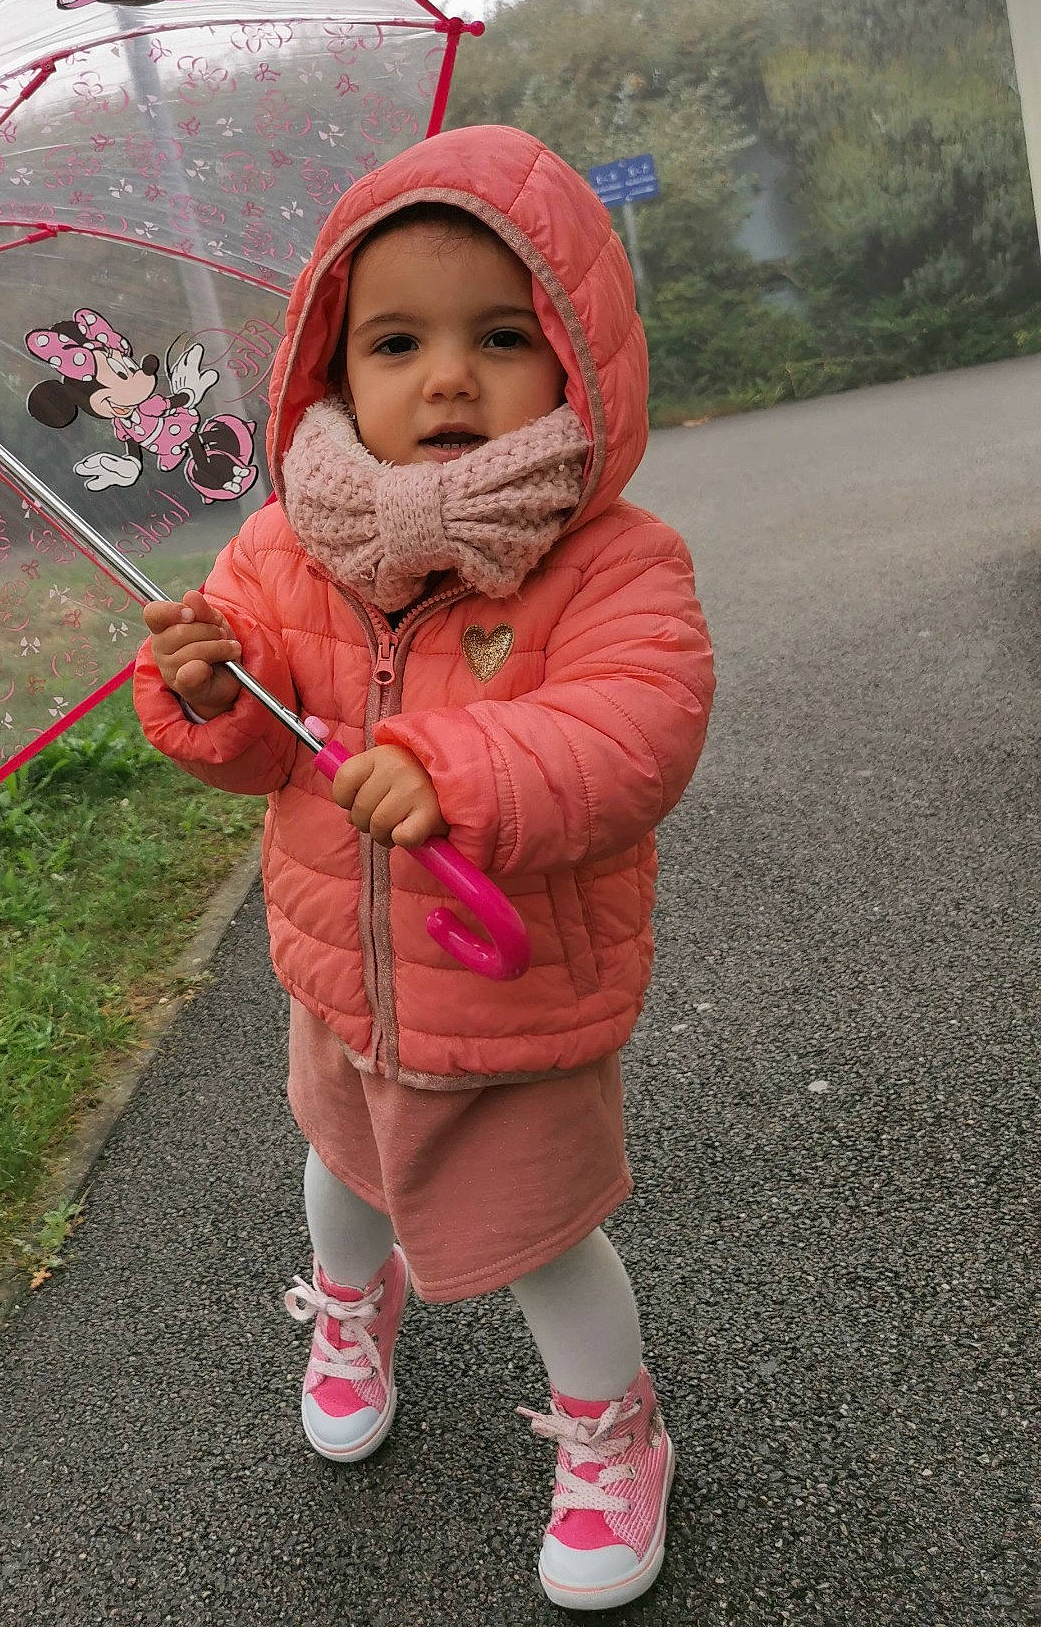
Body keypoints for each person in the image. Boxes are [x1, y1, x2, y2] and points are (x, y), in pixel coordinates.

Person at [132, 125, 714, 1612]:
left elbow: (635, 729)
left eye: (501, 336)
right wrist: (210, 692)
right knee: (340, 1179)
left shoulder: (611, 561)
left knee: (543, 1241)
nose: (448, 376)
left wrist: (458, 772)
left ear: (580, 357)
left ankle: (610, 1431)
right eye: (398, 340)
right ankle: (350, 1307)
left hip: (512, 1003)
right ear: (332, 369)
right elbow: (262, 750)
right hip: (339, 983)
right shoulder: (285, 549)